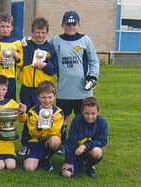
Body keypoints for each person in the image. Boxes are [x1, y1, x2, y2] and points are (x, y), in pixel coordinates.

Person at [50, 11, 100, 154]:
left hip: (83, 90)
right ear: (62, 25)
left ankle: (82, 144)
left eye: (74, 24)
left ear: (78, 25)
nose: (71, 27)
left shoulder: (85, 40)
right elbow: (42, 49)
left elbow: (93, 60)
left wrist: (93, 77)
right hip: (64, 89)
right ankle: (62, 143)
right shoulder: (55, 41)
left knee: (83, 118)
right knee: (62, 118)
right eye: (68, 24)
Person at [17, 17, 57, 156]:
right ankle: (26, 144)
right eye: (37, 32)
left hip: (43, 89)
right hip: (27, 87)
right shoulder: (25, 45)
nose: (40, 35)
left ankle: (44, 141)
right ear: (32, 32)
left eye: (43, 33)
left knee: (42, 113)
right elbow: (10, 46)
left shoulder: (50, 48)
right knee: (27, 114)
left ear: (47, 33)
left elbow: (54, 68)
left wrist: (45, 65)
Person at [61, 97, 108, 178]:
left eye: (93, 113)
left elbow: (102, 141)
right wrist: (69, 161)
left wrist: (85, 146)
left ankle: (89, 165)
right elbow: (71, 142)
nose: (90, 116)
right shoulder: (77, 121)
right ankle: (79, 163)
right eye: (86, 113)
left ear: (98, 112)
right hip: (76, 153)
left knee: (97, 152)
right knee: (66, 174)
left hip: (90, 151)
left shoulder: (102, 122)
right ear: (82, 112)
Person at [23, 81, 64, 172]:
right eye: (44, 97)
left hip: (49, 140)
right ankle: (39, 158)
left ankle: (46, 158)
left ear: (54, 96)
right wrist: (39, 128)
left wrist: (51, 124)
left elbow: (56, 132)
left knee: (55, 141)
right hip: (35, 141)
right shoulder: (32, 112)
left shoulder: (58, 112)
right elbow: (32, 133)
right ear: (38, 97)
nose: (47, 100)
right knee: (29, 168)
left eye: (50, 97)